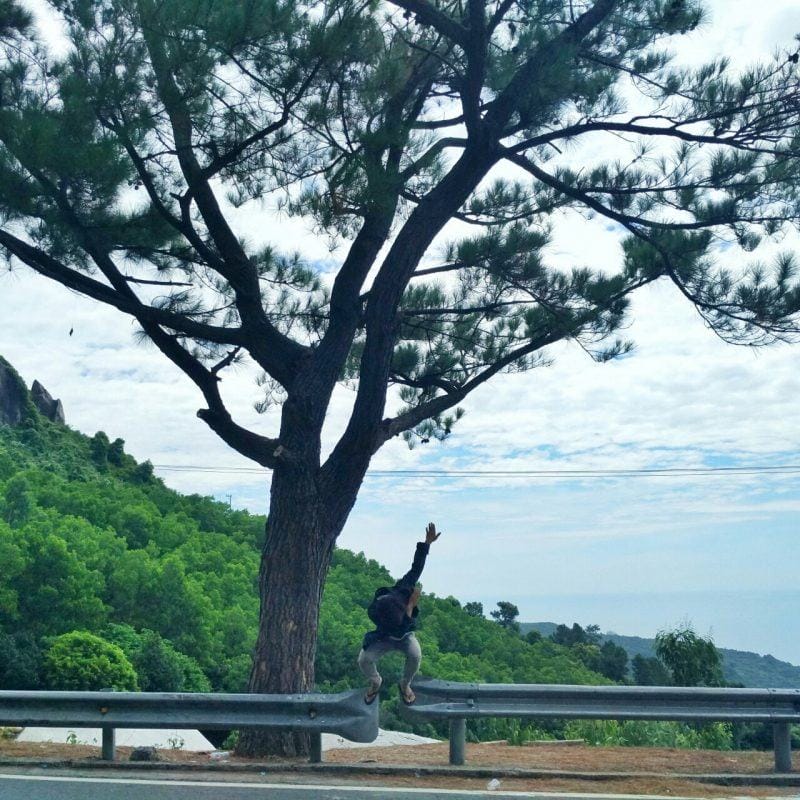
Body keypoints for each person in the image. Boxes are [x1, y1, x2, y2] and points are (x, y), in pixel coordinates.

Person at [357, 522, 442, 705]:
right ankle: (375, 681)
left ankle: (405, 684)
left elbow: (416, 568)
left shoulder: (402, 588)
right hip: (385, 636)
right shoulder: (380, 614)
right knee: (364, 659)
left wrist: (427, 544)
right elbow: (401, 625)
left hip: (404, 636)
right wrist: (411, 606)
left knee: (415, 655)